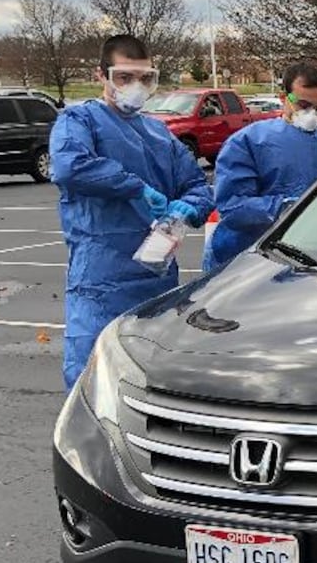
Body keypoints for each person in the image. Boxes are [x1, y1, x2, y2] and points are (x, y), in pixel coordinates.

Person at [50, 34, 213, 389]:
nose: (135, 87)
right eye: (124, 77)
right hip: (101, 279)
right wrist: (135, 187)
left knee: (152, 382)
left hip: (157, 280)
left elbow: (198, 186)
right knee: (92, 378)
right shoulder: (80, 122)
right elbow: (69, 166)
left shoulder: (159, 133)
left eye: (144, 78)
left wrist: (189, 208)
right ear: (102, 76)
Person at [206, 62, 317, 272]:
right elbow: (233, 206)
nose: (312, 113)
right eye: (303, 105)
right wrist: (285, 209)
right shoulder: (248, 142)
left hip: (316, 259)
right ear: (284, 99)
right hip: (252, 262)